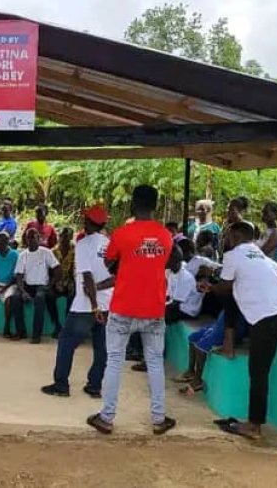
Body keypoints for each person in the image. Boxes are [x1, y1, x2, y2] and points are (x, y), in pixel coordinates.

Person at [87, 185, 176, 436]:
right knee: (155, 362)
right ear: (155, 205)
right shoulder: (166, 236)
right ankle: (159, 418)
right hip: (154, 309)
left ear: (133, 204)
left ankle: (106, 417)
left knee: (114, 361)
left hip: (124, 307)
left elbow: (108, 262)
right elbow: (165, 261)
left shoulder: (122, 233)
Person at [200, 222, 277, 441]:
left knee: (258, 373)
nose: (227, 239)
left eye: (228, 234)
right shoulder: (257, 253)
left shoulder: (234, 254)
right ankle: (254, 422)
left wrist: (209, 287)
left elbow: (224, 286)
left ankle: (254, 426)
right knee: (261, 371)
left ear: (236, 234)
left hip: (265, 317)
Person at [41, 206, 113, 398]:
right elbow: (117, 276)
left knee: (66, 342)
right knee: (102, 347)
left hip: (85, 305)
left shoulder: (83, 245)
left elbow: (87, 276)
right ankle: (95, 386)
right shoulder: (110, 244)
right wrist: (100, 299)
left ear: (88, 222)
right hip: (108, 304)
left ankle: (61, 385)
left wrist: (94, 304)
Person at [12, 228, 60, 344]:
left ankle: (36, 335)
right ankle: (21, 331)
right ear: (26, 240)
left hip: (42, 286)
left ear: (39, 238)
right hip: (27, 285)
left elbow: (57, 269)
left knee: (39, 298)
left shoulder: (45, 252)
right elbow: (18, 276)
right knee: (16, 297)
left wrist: (50, 285)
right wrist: (23, 291)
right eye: (29, 237)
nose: (31, 240)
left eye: (34, 237)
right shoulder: (23, 255)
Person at [48, 227, 75, 338]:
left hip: (69, 281)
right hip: (57, 281)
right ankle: (57, 325)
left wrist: (71, 282)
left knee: (73, 296)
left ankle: (68, 327)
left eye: (67, 237)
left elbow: (75, 269)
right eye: (63, 237)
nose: (64, 240)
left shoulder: (75, 250)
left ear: (71, 238)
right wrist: (56, 283)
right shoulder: (53, 251)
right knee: (49, 296)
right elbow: (50, 271)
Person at [165, 245, 201, 322]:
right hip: (178, 306)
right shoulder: (171, 272)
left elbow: (175, 304)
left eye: (165, 258)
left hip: (188, 311)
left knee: (160, 315)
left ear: (173, 260)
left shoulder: (185, 277)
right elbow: (168, 296)